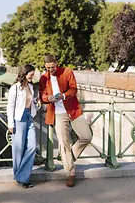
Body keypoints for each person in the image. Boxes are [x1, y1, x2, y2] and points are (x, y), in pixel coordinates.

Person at [39, 54, 92, 187]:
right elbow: (41, 94)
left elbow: (74, 89)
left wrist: (63, 95)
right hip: (57, 113)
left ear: (56, 63)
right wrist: (48, 98)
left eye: (52, 67)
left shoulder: (67, 72)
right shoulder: (43, 78)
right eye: (47, 68)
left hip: (73, 109)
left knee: (87, 136)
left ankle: (69, 157)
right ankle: (70, 173)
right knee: (64, 143)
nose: (50, 70)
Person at [7, 64, 37, 188]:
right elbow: (10, 106)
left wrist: (36, 102)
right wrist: (10, 123)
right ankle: (22, 178)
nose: (32, 76)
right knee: (18, 149)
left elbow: (31, 101)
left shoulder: (30, 86)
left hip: (29, 117)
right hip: (18, 118)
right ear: (25, 73)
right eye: (31, 74)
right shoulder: (15, 88)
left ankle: (21, 175)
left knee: (32, 146)